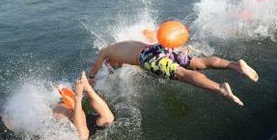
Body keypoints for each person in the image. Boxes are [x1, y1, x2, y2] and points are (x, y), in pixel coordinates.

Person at [88, 41, 259, 106]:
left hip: (149, 57)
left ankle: (220, 88)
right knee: (198, 62)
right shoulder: (123, 44)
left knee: (183, 74)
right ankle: (235, 65)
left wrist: (90, 81)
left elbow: (93, 71)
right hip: (156, 47)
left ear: (109, 60)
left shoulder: (105, 52)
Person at [53, 72, 114, 140]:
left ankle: (87, 88)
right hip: (73, 120)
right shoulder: (58, 107)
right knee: (82, 137)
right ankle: (79, 96)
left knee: (109, 119)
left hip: (77, 118)